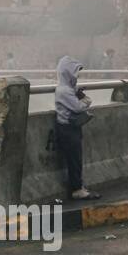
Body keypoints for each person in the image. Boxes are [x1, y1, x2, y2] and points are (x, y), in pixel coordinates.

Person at [54, 55, 98, 201]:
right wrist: (86, 100)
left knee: (76, 158)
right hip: (68, 129)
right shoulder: (64, 91)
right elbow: (78, 107)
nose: (77, 75)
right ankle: (76, 189)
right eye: (75, 71)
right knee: (74, 159)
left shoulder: (67, 89)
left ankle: (78, 186)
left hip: (70, 128)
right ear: (68, 72)